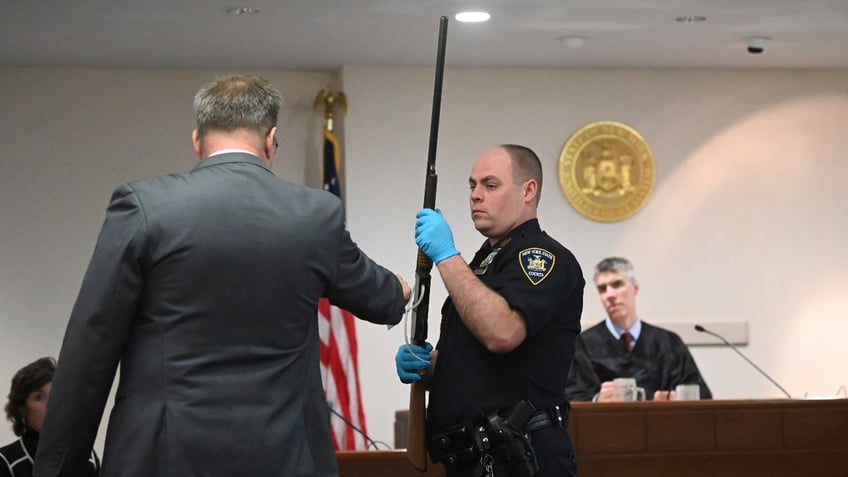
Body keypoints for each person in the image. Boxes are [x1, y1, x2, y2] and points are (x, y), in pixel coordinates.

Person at [32, 74, 410, 477]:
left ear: (198, 140)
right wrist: (401, 289)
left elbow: (92, 345)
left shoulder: (145, 207)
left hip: (163, 458)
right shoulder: (315, 215)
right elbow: (380, 298)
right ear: (271, 140)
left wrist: (57, 469)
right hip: (284, 458)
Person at [396, 145, 584, 476]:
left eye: (490, 185)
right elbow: (478, 365)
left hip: (520, 456)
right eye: (472, 185)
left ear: (528, 190)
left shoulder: (541, 258)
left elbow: (502, 333)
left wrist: (445, 255)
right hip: (474, 458)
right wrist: (429, 366)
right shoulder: (484, 263)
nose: (476, 196)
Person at [566, 257, 712, 402]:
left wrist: (676, 399)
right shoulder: (583, 344)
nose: (609, 295)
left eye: (617, 284)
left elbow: (700, 394)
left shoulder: (668, 342)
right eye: (602, 289)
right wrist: (597, 400)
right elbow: (569, 395)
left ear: (635, 287)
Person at [1, 357, 99, 477]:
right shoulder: (6, 461)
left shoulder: (87, 455)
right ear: (22, 408)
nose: (50, 405)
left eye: (55, 395)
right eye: (38, 398)